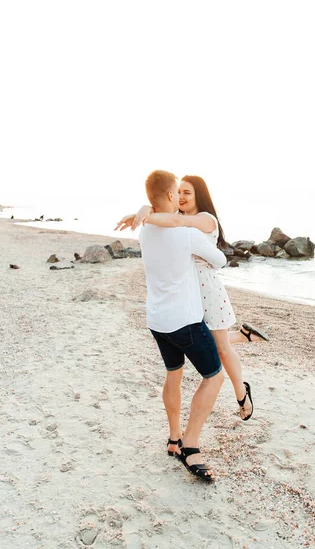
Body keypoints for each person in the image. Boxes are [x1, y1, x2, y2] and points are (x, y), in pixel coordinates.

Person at [115, 175, 269, 422]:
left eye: (188, 192)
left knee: (221, 348)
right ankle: (243, 336)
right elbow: (166, 213)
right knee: (208, 342)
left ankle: (242, 395)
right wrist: (145, 209)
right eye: (180, 192)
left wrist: (142, 214)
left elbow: (172, 218)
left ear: (199, 196)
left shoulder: (205, 220)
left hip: (208, 291)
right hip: (189, 293)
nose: (183, 197)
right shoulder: (181, 220)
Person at [136, 170, 227, 482]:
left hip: (157, 320)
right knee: (214, 378)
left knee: (174, 375)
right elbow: (220, 260)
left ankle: (174, 438)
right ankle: (190, 445)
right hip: (184, 321)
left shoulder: (145, 230)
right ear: (173, 195)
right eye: (178, 192)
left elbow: (161, 221)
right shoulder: (186, 234)